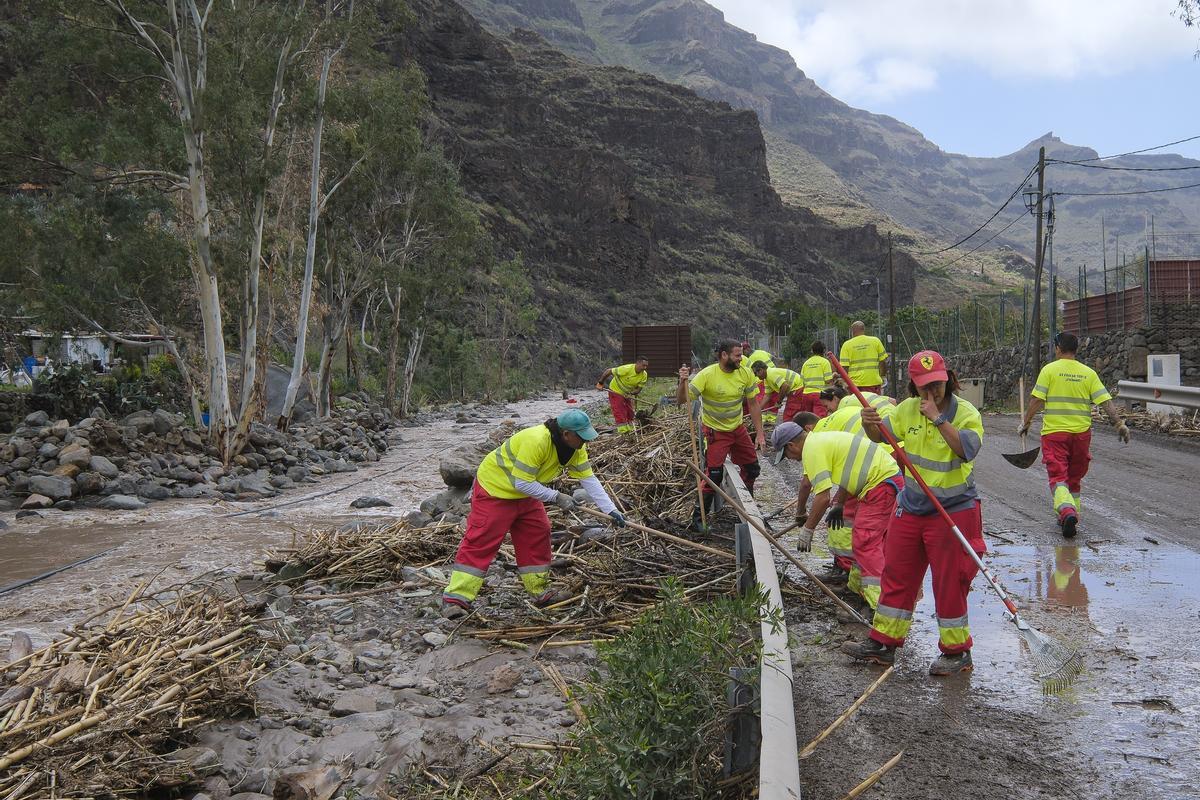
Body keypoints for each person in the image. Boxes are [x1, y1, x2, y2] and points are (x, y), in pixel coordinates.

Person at [841, 350, 986, 676]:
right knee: (898, 574)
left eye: (936, 384)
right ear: (912, 385)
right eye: (923, 387)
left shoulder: (966, 413)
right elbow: (882, 436)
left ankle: (957, 651)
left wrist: (937, 417)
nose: (931, 392)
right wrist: (870, 426)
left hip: (953, 510)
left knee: (949, 582)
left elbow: (966, 450)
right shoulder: (906, 410)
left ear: (948, 379)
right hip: (912, 506)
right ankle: (884, 643)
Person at [442, 409, 625, 618]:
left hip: (525, 492)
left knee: (538, 532)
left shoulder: (576, 448)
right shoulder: (536, 440)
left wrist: (611, 509)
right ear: (566, 434)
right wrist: (556, 497)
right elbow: (522, 482)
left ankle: (540, 591)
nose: (585, 442)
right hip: (495, 489)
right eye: (581, 437)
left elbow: (589, 479)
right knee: (482, 539)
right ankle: (456, 598)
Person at [773, 426, 903, 614]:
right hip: (879, 481)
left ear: (791, 445)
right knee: (860, 540)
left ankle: (881, 606)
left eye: (786, 455)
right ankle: (857, 590)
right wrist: (840, 503)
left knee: (866, 542)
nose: (791, 459)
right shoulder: (818, 441)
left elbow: (823, 497)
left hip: (882, 484)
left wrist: (807, 530)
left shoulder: (812, 450)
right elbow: (848, 470)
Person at [1018, 332, 1130, 538]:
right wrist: (1119, 424)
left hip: (1055, 434)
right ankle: (1070, 517)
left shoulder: (1049, 370)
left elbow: (1036, 400)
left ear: (1058, 348)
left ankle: (1067, 511)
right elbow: (1105, 401)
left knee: (1058, 477)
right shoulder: (1088, 373)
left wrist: (1026, 423)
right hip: (1081, 435)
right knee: (1074, 479)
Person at [678, 340, 766, 530]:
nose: (740, 358)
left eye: (741, 354)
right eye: (737, 355)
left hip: (737, 429)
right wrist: (682, 382)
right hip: (715, 431)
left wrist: (760, 434)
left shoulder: (745, 373)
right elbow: (682, 399)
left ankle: (746, 509)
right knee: (714, 475)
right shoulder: (707, 375)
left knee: (752, 469)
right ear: (724, 355)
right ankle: (698, 519)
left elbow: (753, 404)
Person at [596, 356, 650, 435]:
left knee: (630, 411)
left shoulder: (644, 375)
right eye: (643, 365)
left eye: (646, 366)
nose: (644, 367)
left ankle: (631, 430)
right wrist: (600, 383)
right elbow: (608, 371)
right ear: (637, 363)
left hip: (626, 393)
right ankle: (623, 432)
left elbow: (638, 389)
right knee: (619, 410)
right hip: (615, 390)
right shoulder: (626, 369)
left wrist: (631, 394)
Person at [838, 321, 888, 393]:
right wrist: (882, 376)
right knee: (872, 403)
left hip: (854, 385)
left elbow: (844, 368)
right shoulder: (876, 341)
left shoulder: (846, 345)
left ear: (852, 331)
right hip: (873, 383)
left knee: (856, 404)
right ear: (863, 329)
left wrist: (845, 382)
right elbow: (883, 362)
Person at [799, 341, 834, 418]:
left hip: (806, 395)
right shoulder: (825, 362)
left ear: (812, 350)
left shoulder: (806, 363)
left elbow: (801, 382)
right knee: (819, 419)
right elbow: (828, 380)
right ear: (823, 350)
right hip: (819, 394)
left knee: (808, 419)